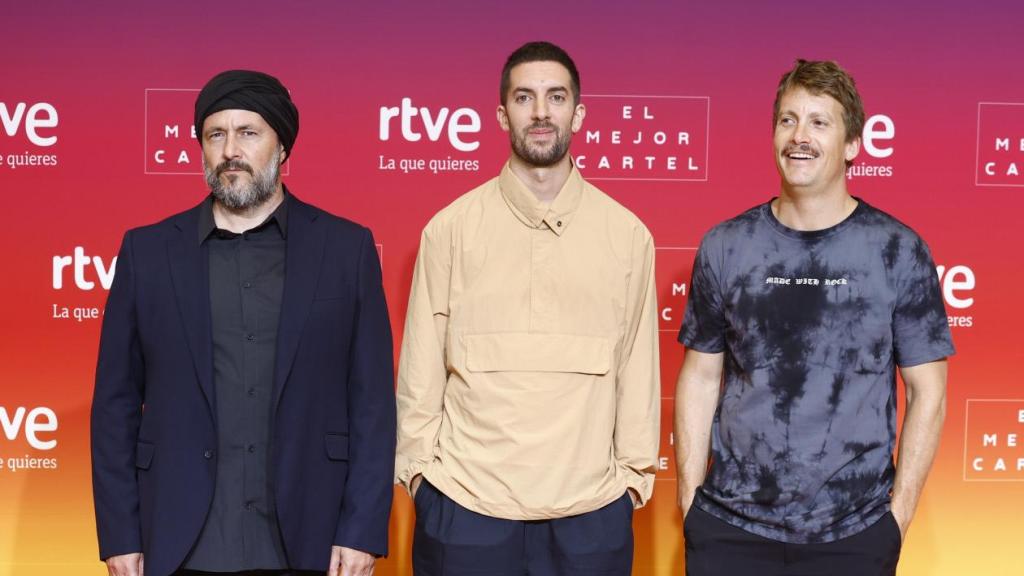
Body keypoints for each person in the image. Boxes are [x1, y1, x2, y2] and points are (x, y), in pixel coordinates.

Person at [91, 70, 396, 576]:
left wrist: (362, 529)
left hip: (309, 538)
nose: (231, 149)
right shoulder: (146, 252)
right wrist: (120, 535)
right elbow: (114, 406)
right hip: (179, 542)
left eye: (248, 133)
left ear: (282, 148)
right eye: (216, 135)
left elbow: (373, 404)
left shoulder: (346, 250)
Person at [674, 59, 954, 575]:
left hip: (854, 532)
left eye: (819, 123)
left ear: (852, 145)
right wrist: (690, 501)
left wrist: (897, 518)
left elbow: (929, 392)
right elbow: (700, 375)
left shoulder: (898, 250)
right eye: (788, 119)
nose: (799, 136)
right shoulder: (725, 245)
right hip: (729, 528)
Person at [395, 41, 660, 575]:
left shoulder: (628, 235)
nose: (541, 112)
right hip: (464, 509)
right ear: (502, 114)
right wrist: (420, 475)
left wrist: (632, 480)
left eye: (555, 97)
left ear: (578, 113)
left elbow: (637, 366)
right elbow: (420, 371)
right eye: (524, 97)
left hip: (590, 516)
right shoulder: (449, 230)